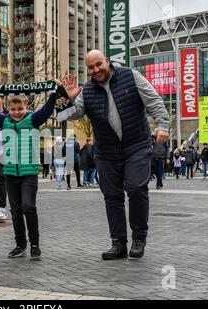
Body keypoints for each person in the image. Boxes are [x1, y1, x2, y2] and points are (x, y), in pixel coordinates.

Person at [57, 50, 169, 260]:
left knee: (136, 188)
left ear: (107, 61)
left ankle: (138, 237)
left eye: (99, 64)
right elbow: (66, 116)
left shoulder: (131, 76)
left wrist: (162, 125)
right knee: (112, 196)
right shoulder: (87, 91)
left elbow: (153, 101)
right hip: (106, 152)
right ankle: (118, 243)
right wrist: (69, 99)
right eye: (91, 67)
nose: (96, 70)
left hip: (136, 145)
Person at [0, 87, 61, 260]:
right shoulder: (3, 120)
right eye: (13, 110)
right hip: (10, 173)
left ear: (26, 107)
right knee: (15, 210)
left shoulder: (33, 119)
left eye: (20, 109)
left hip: (28, 173)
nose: (16, 113)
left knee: (29, 207)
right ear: (8, 109)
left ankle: (35, 245)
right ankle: (20, 244)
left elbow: (46, 110)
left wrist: (53, 94)